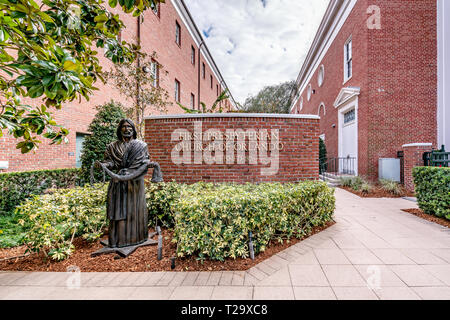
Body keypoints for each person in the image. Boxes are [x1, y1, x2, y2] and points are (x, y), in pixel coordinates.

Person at [96, 118, 162, 248]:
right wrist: (104, 165)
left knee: (135, 211)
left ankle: (138, 237)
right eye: (124, 127)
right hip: (118, 183)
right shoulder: (112, 146)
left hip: (135, 184)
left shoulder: (141, 146)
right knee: (118, 211)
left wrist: (144, 166)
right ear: (119, 130)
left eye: (130, 127)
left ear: (134, 130)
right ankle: (118, 241)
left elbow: (144, 161)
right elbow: (112, 163)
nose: (127, 129)